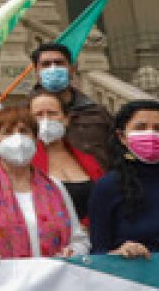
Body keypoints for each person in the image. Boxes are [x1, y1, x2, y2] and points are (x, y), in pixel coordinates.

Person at [0, 108, 89, 261]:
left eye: (24, 131)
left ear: (35, 141)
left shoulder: (55, 186)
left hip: (52, 280)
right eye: (8, 132)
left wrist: (73, 251)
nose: (18, 138)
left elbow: (79, 239)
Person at [88, 99, 159, 257]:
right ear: (122, 136)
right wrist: (120, 252)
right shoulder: (108, 186)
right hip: (138, 279)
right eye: (140, 127)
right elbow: (99, 253)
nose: (151, 133)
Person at [30, 42, 113, 169]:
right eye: (46, 64)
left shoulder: (97, 113)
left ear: (72, 68)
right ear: (36, 71)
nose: (53, 68)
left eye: (59, 63)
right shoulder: (25, 113)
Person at [29, 90, 104, 223]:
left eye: (52, 113)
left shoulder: (86, 158)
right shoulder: (25, 161)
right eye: (38, 115)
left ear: (66, 119)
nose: (45, 120)